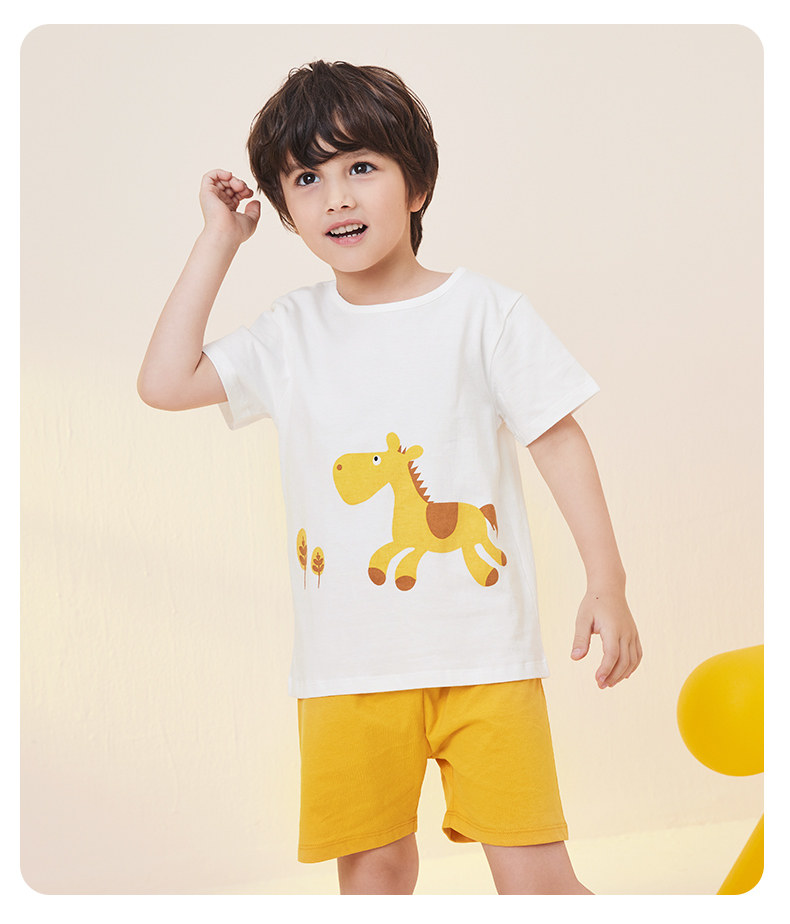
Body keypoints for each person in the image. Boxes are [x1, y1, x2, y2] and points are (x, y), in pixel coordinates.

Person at [137, 60, 642, 895]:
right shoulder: (292, 332)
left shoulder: (486, 313)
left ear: (418, 185)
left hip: (486, 661)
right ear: (286, 210)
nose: (336, 197)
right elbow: (164, 382)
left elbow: (557, 441)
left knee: (538, 881)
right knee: (372, 877)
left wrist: (608, 581)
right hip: (347, 672)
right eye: (307, 178)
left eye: (361, 167)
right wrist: (218, 240)